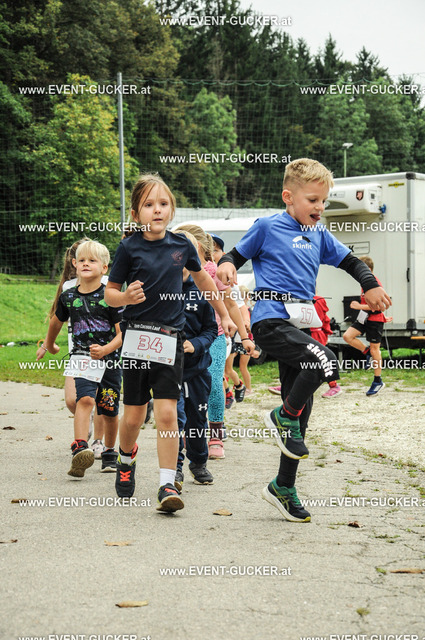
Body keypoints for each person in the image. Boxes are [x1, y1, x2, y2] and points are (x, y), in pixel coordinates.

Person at [216, 157, 391, 522]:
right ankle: (282, 415)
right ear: (288, 197)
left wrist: (371, 284)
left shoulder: (319, 235)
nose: (320, 207)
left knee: (300, 418)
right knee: (325, 361)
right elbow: (234, 255)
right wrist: (227, 264)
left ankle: (283, 486)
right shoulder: (267, 227)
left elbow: (352, 262)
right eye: (312, 200)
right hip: (271, 320)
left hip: (302, 325)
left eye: (323, 201)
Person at [104, 173, 236, 513]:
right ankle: (126, 458)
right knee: (133, 417)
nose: (157, 210)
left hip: (170, 339)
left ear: (172, 209)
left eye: (163, 203)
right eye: (149, 205)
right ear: (136, 214)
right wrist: (125, 297)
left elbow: (204, 281)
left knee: (166, 415)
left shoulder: (181, 245)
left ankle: (166, 483)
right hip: (137, 339)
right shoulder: (128, 247)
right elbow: (109, 293)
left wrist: (223, 314)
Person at [40, 240, 123, 477]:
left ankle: (109, 451)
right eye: (82, 260)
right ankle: (80, 447)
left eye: (92, 260)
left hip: (109, 360)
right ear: (75, 264)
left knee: (108, 409)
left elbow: (123, 333)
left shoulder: (111, 297)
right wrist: (49, 345)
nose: (86, 264)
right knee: (84, 400)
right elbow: (56, 322)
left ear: (104, 268)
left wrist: (106, 349)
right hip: (81, 357)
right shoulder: (68, 297)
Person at [173, 225, 255, 460]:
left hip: (215, 335)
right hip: (183, 338)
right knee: (184, 385)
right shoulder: (172, 271)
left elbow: (231, 304)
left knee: (215, 380)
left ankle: (216, 434)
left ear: (196, 247)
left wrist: (244, 336)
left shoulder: (212, 271)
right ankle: (188, 431)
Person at [173, 229, 218, 490]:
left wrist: (196, 345)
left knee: (197, 419)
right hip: (169, 371)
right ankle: (175, 467)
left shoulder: (202, 290)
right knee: (175, 419)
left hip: (198, 370)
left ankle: (199, 462)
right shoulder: (157, 289)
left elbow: (211, 330)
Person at [343, 256, 392, 396]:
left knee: (375, 349)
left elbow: (379, 306)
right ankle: (367, 353)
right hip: (364, 317)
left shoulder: (374, 283)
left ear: (368, 269)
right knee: (347, 336)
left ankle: (378, 381)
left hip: (374, 320)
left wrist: (358, 306)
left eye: (359, 269)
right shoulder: (363, 283)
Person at [312, 295, 342, 398]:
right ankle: (289, 384)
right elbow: (326, 319)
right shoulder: (319, 299)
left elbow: (325, 319)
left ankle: (334, 385)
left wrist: (325, 332)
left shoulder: (316, 300)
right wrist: (326, 332)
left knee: (322, 360)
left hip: (315, 333)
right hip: (314, 333)